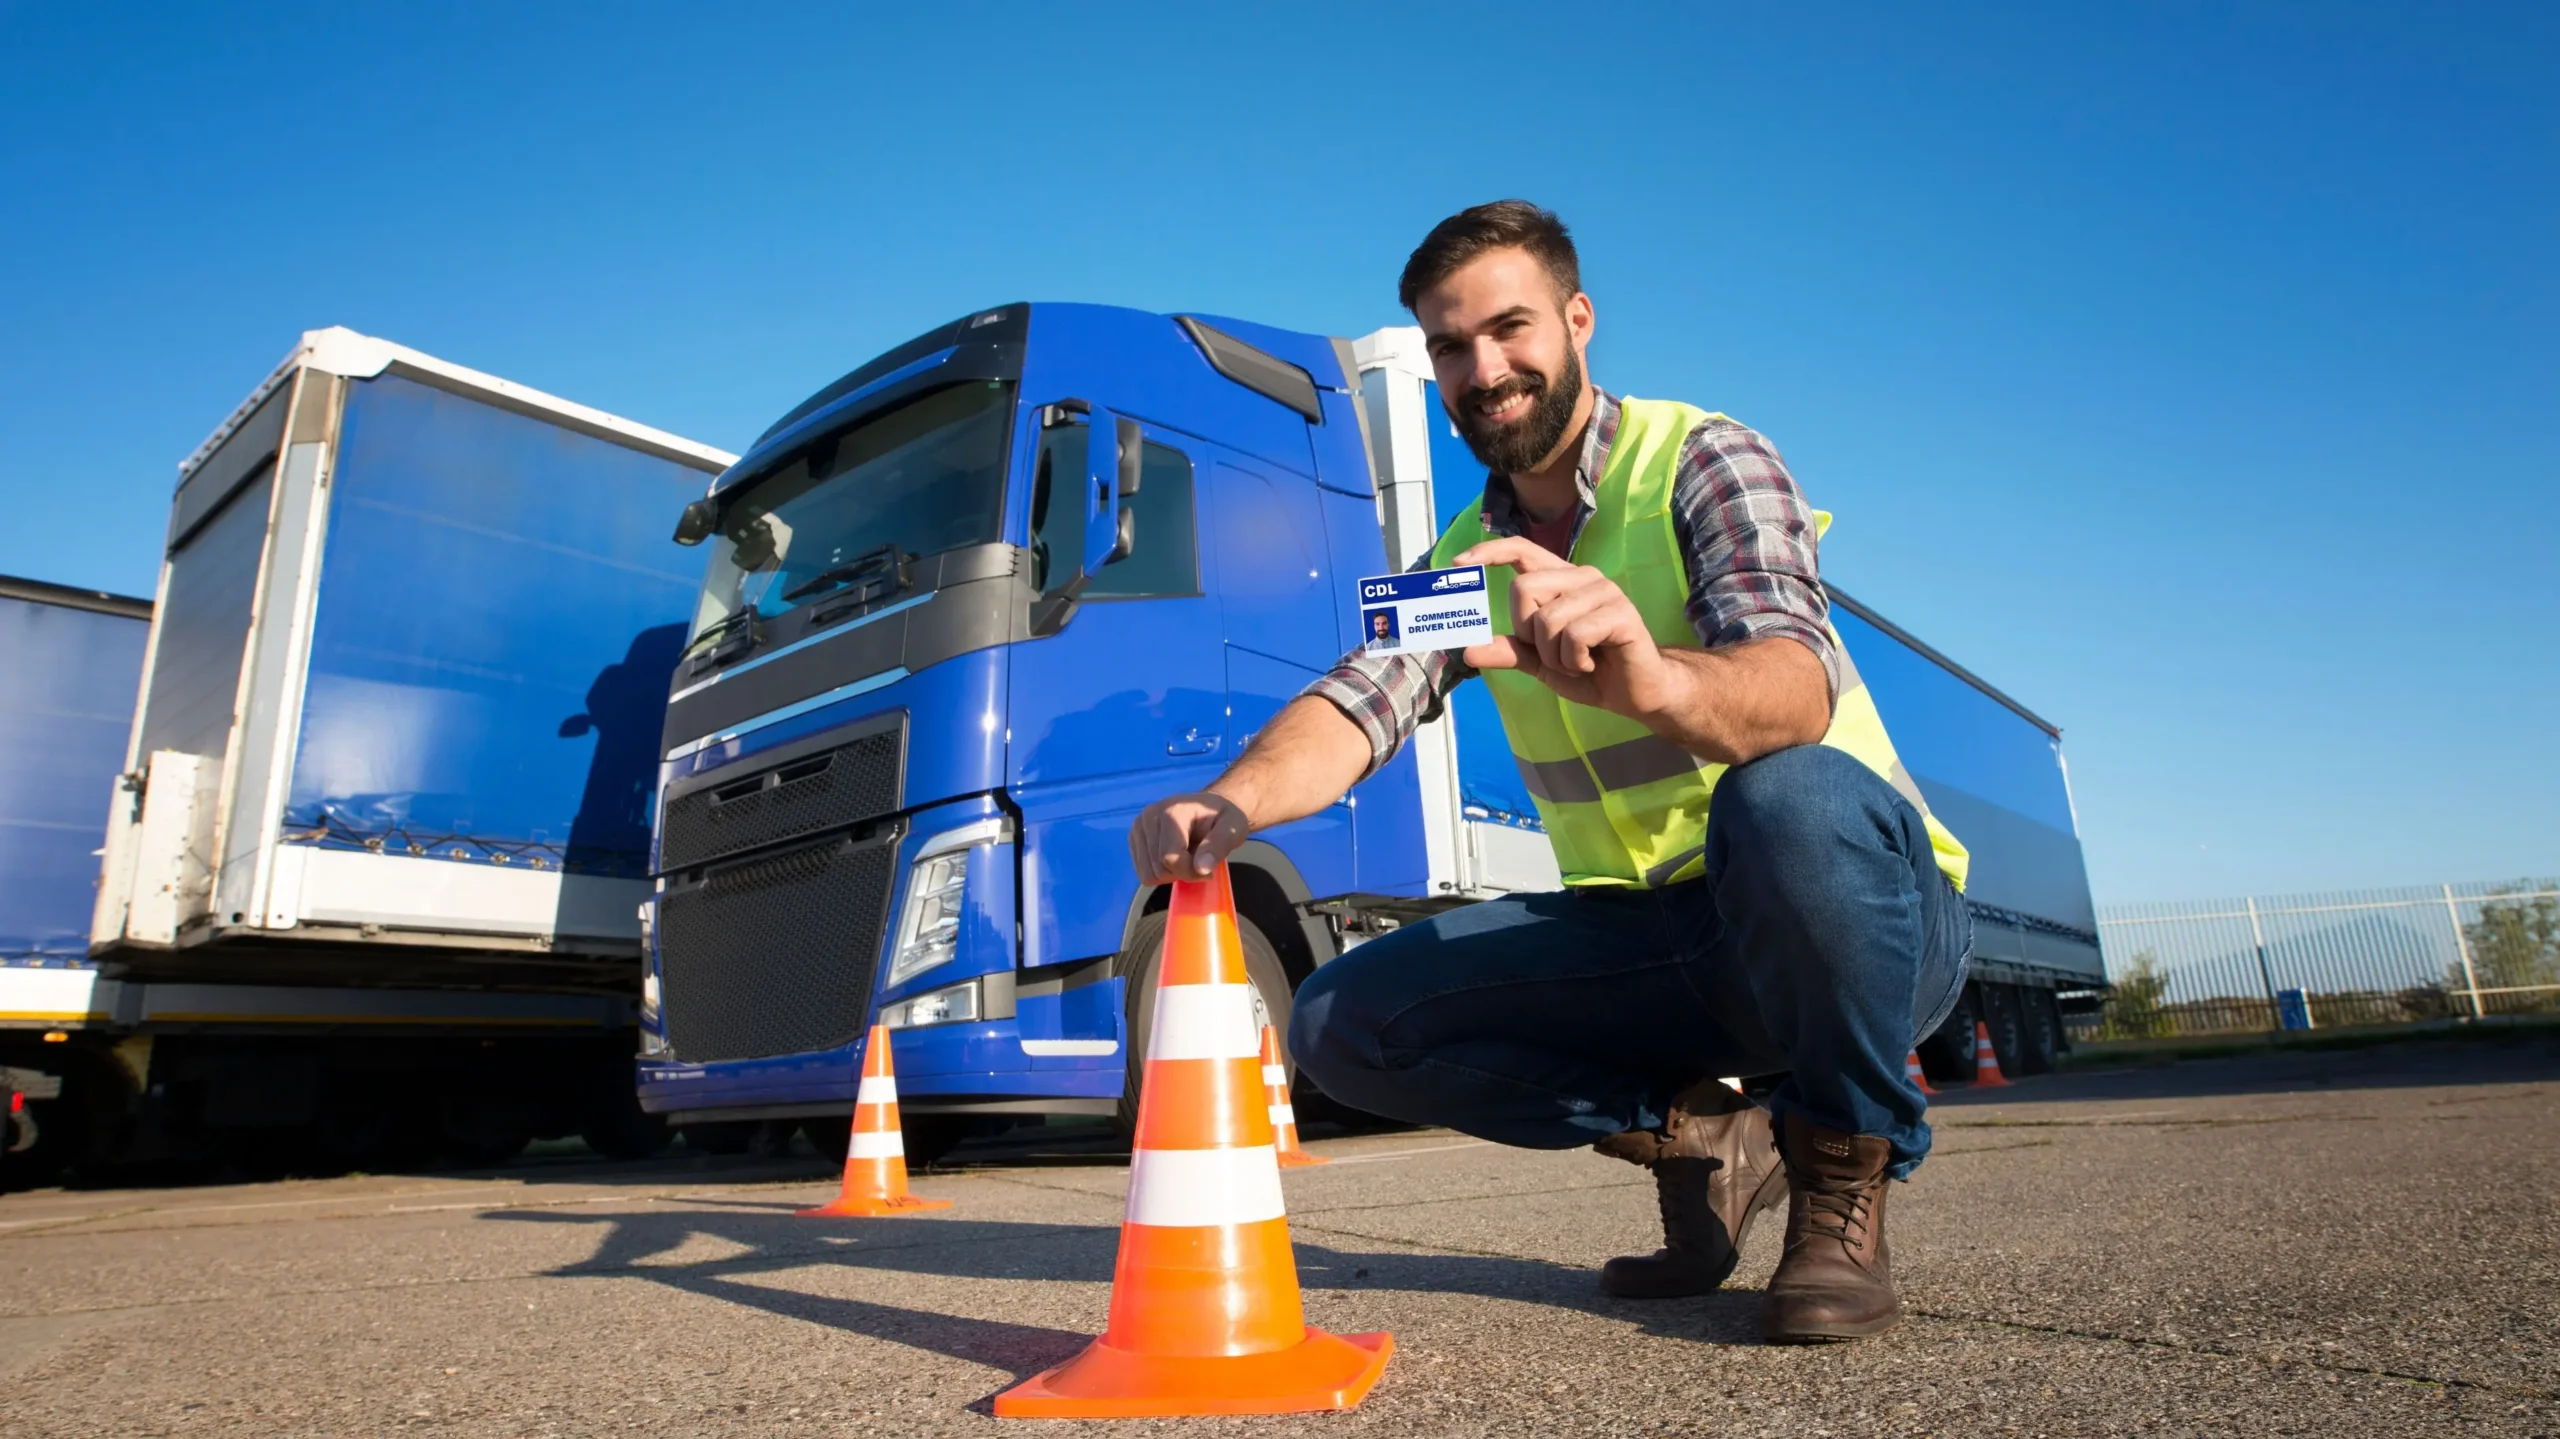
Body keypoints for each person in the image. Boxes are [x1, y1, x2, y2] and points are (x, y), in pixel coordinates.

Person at [1126, 200, 1973, 1343]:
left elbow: (1794, 681)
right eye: (1449, 345)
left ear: (1577, 320)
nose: (1484, 368)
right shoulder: (1461, 564)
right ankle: (1704, 1136)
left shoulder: (1705, 458)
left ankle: (1838, 1173)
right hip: (1650, 938)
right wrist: (1228, 799)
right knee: (1341, 1020)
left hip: (1854, 924)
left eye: (1510, 328)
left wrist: (1658, 682)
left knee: (1787, 795)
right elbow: (1354, 703)